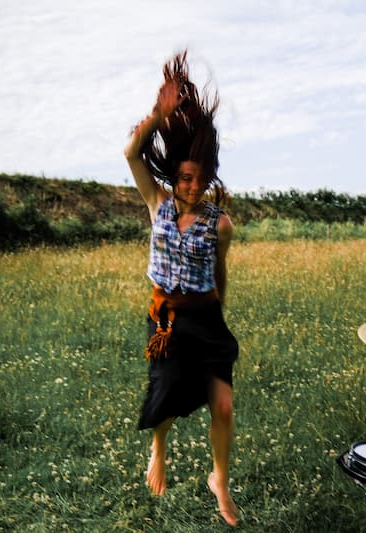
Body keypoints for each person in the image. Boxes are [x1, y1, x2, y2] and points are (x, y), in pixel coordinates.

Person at [124, 50, 240, 527]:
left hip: (206, 319)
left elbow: (220, 272)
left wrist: (220, 312)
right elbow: (132, 153)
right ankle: (158, 447)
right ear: (175, 176)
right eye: (186, 178)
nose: (193, 186)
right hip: (167, 320)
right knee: (168, 394)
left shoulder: (222, 224)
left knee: (225, 405)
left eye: (201, 178)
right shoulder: (157, 203)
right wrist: (160, 116)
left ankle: (220, 480)